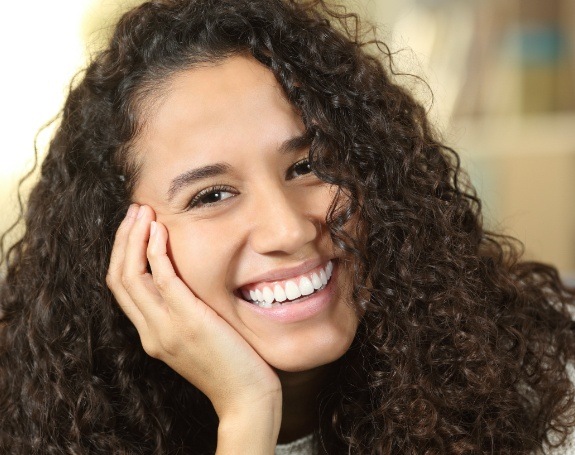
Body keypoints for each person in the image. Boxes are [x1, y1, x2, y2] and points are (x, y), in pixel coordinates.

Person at [1, 0, 574, 453]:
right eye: (213, 195)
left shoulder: (549, 376)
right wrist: (247, 412)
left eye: (307, 165)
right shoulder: (31, 426)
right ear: (121, 250)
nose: (289, 229)